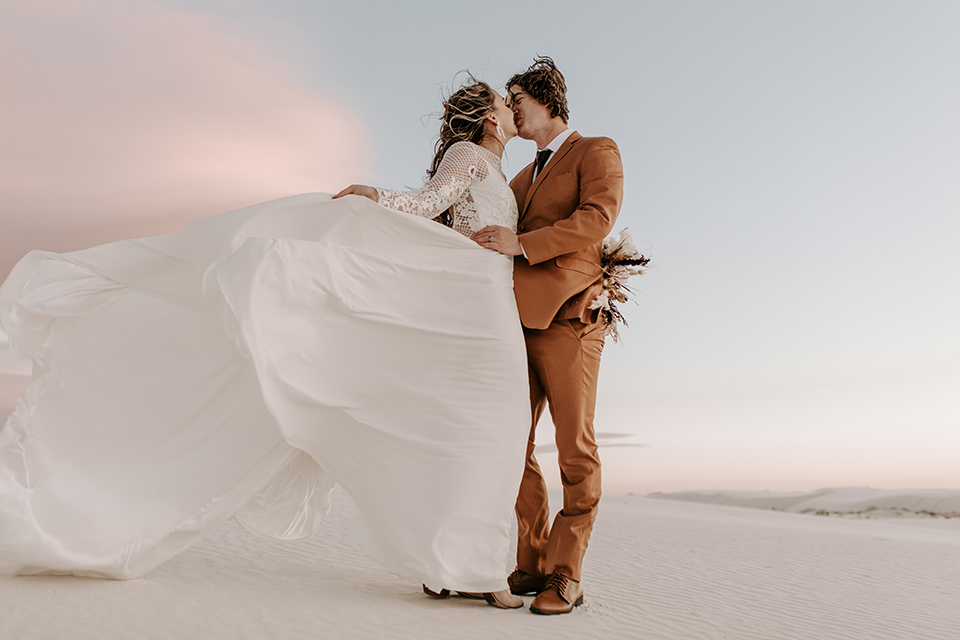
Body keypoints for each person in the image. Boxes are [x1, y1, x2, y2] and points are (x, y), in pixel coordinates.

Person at [0, 80, 525, 609]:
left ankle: (453, 563)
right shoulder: (470, 154)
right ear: (486, 117)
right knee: (490, 431)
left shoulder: (503, 173)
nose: (512, 108)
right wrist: (375, 196)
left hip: (486, 299)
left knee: (478, 430)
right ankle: (478, 570)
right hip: (472, 301)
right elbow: (428, 202)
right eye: (506, 103)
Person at [471, 57, 624, 615]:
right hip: (515, 324)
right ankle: (531, 564)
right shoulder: (515, 178)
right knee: (513, 445)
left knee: (573, 450)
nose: (511, 109)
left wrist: (522, 245)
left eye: (517, 98)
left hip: (571, 320)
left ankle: (567, 574)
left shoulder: (597, 150)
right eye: (508, 101)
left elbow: (598, 218)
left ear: (547, 100)